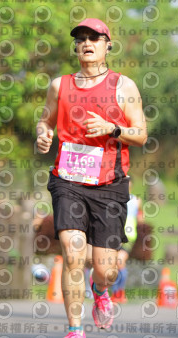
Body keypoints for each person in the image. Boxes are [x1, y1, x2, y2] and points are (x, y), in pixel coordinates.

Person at [36, 18, 147, 337]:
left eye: (94, 38)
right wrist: (43, 135)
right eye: (81, 38)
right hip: (67, 181)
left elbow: (140, 134)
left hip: (109, 186)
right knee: (71, 254)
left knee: (106, 269)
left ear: (107, 45)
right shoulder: (60, 85)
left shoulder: (123, 86)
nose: (87, 43)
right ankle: (74, 329)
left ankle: (100, 291)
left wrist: (113, 129)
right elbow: (45, 121)